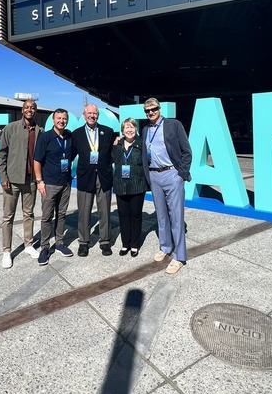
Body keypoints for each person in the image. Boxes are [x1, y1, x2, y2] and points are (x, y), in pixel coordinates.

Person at [141, 98, 192, 275]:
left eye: (153, 109)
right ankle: (165, 246)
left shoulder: (173, 125)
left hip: (172, 174)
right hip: (154, 175)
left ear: (159, 109)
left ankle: (179, 256)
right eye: (147, 111)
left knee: (176, 216)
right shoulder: (146, 129)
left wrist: (181, 174)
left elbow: (187, 151)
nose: (150, 113)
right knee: (161, 215)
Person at [0, 100, 43, 269]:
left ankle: (28, 244)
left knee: (28, 214)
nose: (30, 110)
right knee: (8, 216)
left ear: (35, 111)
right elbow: (1, 155)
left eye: (32, 108)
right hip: (12, 181)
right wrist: (3, 177)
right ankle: (6, 251)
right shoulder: (11, 128)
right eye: (27, 107)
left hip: (30, 181)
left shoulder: (40, 131)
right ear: (22, 110)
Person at [71, 103, 116, 257]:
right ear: (84, 115)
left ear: (98, 115)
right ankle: (83, 242)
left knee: (105, 212)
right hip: (85, 178)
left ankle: (105, 242)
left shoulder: (108, 132)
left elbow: (114, 152)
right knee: (84, 212)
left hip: (103, 177)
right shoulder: (76, 134)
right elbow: (70, 155)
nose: (92, 116)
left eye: (94, 113)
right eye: (89, 113)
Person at [33, 108, 74, 265]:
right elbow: (37, 160)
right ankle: (44, 247)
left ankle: (59, 243)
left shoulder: (69, 136)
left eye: (64, 118)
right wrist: (39, 181)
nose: (61, 121)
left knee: (62, 214)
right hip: (49, 183)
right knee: (46, 217)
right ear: (53, 120)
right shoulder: (45, 137)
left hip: (65, 183)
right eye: (59, 118)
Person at [112, 118, 147, 257]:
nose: (129, 130)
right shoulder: (117, 145)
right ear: (122, 130)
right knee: (123, 216)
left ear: (136, 129)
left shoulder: (141, 144)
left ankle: (134, 245)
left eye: (132, 127)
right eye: (126, 127)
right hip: (121, 186)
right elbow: (111, 159)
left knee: (136, 215)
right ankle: (125, 244)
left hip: (137, 186)